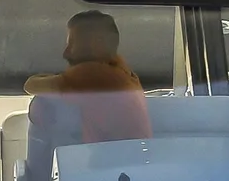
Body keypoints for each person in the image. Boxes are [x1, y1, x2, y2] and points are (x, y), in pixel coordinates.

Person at [24, 9, 151, 144]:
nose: (65, 53)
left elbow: (31, 85)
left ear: (96, 44)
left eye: (72, 44)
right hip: (130, 159)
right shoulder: (120, 70)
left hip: (112, 162)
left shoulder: (95, 74)